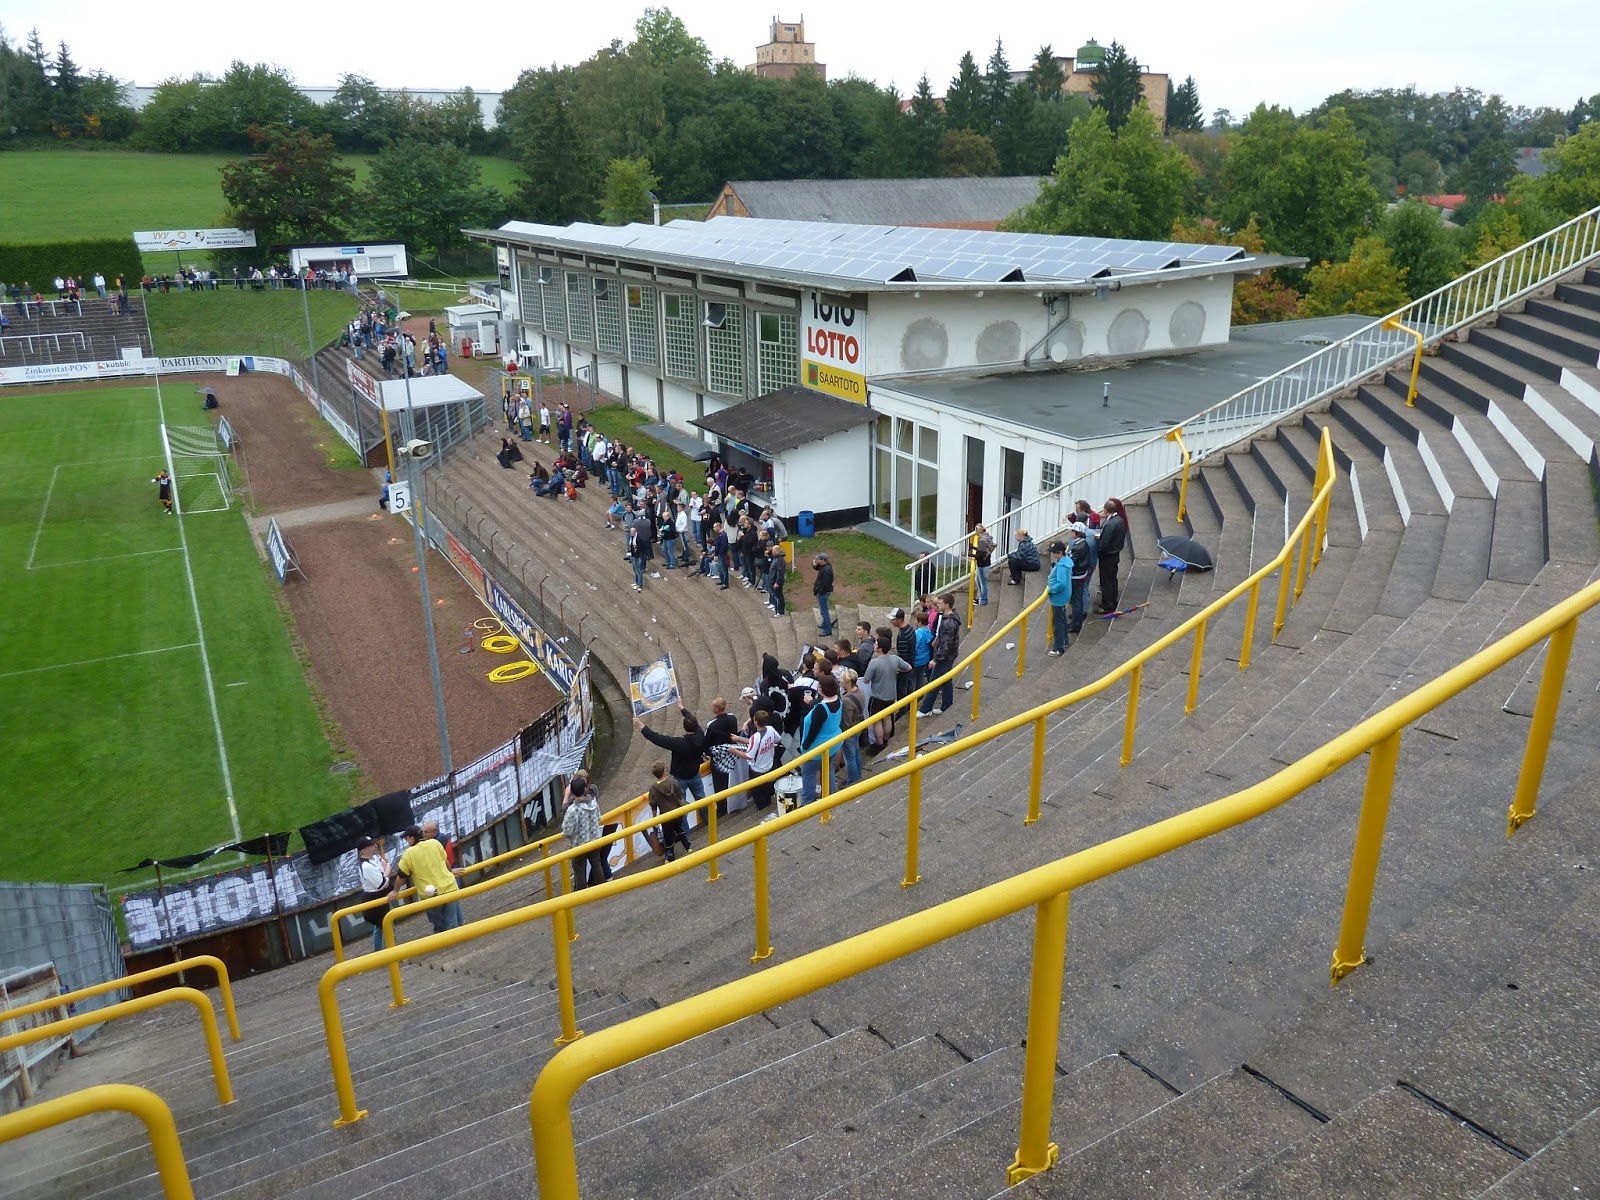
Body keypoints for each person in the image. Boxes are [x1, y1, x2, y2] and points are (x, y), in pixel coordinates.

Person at [391, 825, 463, 933]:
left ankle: (446, 943)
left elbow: (401, 875)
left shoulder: (408, 854)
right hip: (449, 886)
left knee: (439, 924)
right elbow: (445, 861)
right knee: (452, 922)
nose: (407, 841)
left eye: (407, 838)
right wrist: (451, 872)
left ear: (412, 838)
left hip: (431, 894)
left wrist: (395, 891)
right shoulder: (435, 843)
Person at [635, 710, 709, 807]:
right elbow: (694, 721)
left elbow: (658, 738)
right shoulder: (700, 735)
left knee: (681, 805)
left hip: (680, 778)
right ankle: (708, 819)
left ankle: (684, 822)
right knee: (702, 799)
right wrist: (682, 708)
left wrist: (641, 726)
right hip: (695, 774)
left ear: (684, 727)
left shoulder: (679, 743)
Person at [796, 673, 843, 805]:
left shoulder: (820, 709)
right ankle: (830, 798)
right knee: (828, 771)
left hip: (816, 749)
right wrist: (811, 702)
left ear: (822, 689)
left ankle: (807, 804)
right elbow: (821, 711)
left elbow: (813, 732)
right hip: (833, 744)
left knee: (808, 775)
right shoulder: (838, 700)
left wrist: (804, 747)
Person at [862, 635, 911, 753]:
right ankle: (886, 740)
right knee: (888, 718)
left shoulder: (874, 662)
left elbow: (866, 680)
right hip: (890, 696)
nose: (874, 645)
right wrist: (898, 671)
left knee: (877, 721)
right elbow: (908, 667)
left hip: (877, 697)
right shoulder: (895, 659)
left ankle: (879, 744)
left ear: (880, 648)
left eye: (876, 644)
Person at [561, 776, 609, 889]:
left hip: (578, 845)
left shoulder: (572, 810)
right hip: (593, 841)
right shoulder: (593, 804)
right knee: (597, 865)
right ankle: (602, 889)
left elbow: (567, 831)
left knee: (579, 869)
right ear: (585, 789)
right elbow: (598, 819)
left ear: (572, 792)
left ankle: (582, 894)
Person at [920, 595, 962, 716]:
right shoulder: (948, 616)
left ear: (947, 605)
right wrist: (937, 638)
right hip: (949, 655)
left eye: (940, 603)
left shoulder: (949, 622)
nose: (937, 605)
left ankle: (925, 709)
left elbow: (946, 645)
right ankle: (947, 705)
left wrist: (935, 660)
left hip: (945, 657)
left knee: (934, 682)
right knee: (946, 680)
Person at [646, 761, 692, 861]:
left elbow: (653, 805)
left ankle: (670, 856)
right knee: (680, 830)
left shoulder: (653, 789)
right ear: (664, 770)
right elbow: (680, 797)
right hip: (677, 812)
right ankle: (688, 847)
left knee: (668, 836)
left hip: (665, 816)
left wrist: (655, 818)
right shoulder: (673, 782)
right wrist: (684, 808)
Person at [735, 710, 780, 808]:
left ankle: (762, 809)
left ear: (755, 722)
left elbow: (749, 755)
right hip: (770, 766)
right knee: (768, 791)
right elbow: (778, 739)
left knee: (759, 795)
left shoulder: (755, 737)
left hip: (757, 771)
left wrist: (734, 750)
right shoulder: (770, 729)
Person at [356, 836, 393, 952]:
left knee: (381, 926)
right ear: (363, 850)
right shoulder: (366, 866)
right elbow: (382, 884)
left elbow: (385, 863)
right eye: (371, 845)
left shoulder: (374, 858)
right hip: (374, 899)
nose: (375, 846)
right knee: (385, 925)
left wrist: (385, 870)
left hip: (380, 896)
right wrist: (386, 871)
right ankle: (388, 952)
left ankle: (381, 951)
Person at [1097, 498, 1129, 614]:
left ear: (1105, 510)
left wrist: (1098, 553)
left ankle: (1107, 605)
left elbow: (1104, 543)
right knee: (1112, 579)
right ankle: (1112, 601)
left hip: (1108, 556)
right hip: (1114, 554)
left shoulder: (1110, 524)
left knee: (1106, 581)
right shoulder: (1119, 520)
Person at [837, 669, 865, 787]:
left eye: (842, 681)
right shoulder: (860, 691)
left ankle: (852, 780)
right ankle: (858, 776)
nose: (840, 683)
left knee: (849, 757)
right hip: (859, 726)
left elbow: (846, 721)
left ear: (848, 683)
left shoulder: (846, 700)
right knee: (856, 752)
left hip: (850, 730)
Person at [1046, 540, 1072, 657]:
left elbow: (1061, 583)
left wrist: (1051, 589)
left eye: (1054, 552)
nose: (1053, 555)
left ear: (1059, 553)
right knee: (1061, 620)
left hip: (1058, 597)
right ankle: (1064, 641)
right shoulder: (1066, 562)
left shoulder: (1062, 566)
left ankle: (1058, 648)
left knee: (1058, 623)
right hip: (1064, 596)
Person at [1067, 522, 1094, 634]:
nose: (1071, 533)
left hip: (1077, 576)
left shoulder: (1079, 547)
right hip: (1081, 574)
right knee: (1077, 601)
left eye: (1073, 531)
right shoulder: (1083, 543)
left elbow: (1072, 562)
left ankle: (1076, 625)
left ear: (1077, 533)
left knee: (1076, 601)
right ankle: (1075, 623)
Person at [970, 525, 995, 606]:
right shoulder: (987, 538)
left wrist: (971, 555)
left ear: (977, 531)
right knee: (978, 581)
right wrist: (974, 548)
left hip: (982, 565)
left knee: (982, 583)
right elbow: (984, 551)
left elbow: (980, 555)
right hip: (985, 564)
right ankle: (981, 598)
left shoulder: (982, 540)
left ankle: (983, 600)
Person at [812, 552, 835, 635]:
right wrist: (814, 564)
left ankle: (827, 630)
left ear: (823, 560)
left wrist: (819, 591)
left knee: (824, 611)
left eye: (818, 559)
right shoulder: (826, 566)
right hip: (823, 591)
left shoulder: (826, 570)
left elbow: (826, 584)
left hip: (823, 592)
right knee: (822, 610)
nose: (816, 561)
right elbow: (817, 567)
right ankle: (824, 624)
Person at [766, 543, 788, 615]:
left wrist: (777, 582)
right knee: (776, 595)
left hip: (776, 581)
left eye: (773, 551)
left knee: (779, 596)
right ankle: (777, 608)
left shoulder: (780, 560)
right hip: (773, 579)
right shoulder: (776, 558)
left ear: (777, 551)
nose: (772, 552)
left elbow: (780, 572)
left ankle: (780, 611)